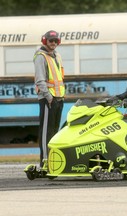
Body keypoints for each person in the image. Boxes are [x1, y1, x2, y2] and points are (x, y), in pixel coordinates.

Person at [34, 30, 65, 168]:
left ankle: (53, 160)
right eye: (50, 40)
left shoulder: (57, 56)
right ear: (44, 41)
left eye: (55, 41)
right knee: (46, 131)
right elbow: (39, 80)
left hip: (58, 98)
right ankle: (45, 162)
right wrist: (48, 96)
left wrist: (60, 96)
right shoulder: (41, 56)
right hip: (48, 99)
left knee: (54, 131)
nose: (53, 43)